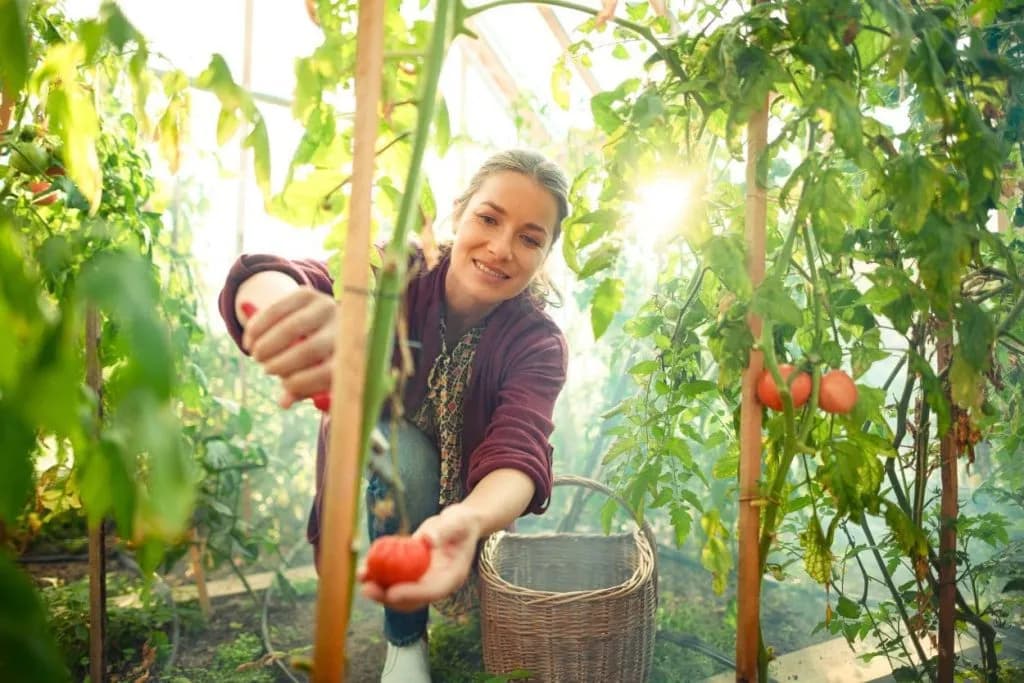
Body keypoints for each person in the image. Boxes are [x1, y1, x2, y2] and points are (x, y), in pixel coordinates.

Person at [217, 149, 570, 682]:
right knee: (402, 456)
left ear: (545, 254)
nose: (501, 249)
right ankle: (405, 645)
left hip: (466, 493)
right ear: (458, 212)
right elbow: (289, 276)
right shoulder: (400, 270)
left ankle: (432, 606)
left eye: (529, 238)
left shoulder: (535, 341)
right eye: (489, 218)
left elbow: (518, 452)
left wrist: (469, 519)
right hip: (385, 456)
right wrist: (286, 313)